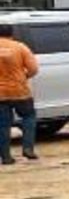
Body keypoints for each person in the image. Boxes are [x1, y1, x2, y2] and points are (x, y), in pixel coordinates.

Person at [0, 22, 40, 164]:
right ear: (12, 34)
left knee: (3, 124)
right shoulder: (20, 47)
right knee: (29, 116)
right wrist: (24, 76)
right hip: (20, 91)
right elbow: (34, 68)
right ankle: (28, 148)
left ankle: (5, 157)